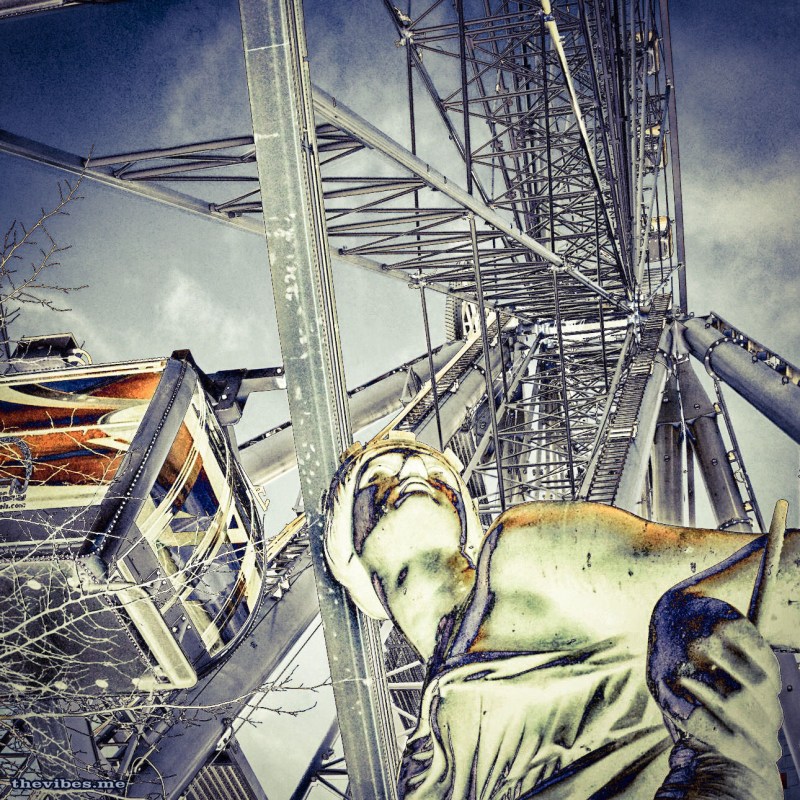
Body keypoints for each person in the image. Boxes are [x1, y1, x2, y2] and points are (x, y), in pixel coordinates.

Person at [323, 433, 796, 800]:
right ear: (349, 556)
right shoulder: (420, 771)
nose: (411, 468)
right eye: (377, 474)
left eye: (438, 474)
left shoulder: (523, 552)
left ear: (461, 513)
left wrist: (724, 763)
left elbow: (768, 571)